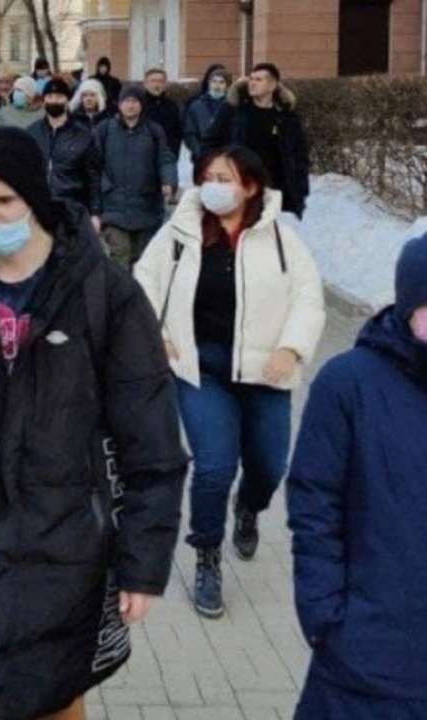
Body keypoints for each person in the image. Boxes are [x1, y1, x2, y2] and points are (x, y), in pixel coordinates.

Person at [0, 127, 187, 720]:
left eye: (5, 201)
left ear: (35, 201)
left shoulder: (106, 293)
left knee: (49, 700)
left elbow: (151, 439)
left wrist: (144, 563)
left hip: (61, 546)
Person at [134, 145, 325, 620]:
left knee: (267, 466)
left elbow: (309, 297)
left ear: (251, 186)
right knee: (215, 466)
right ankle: (207, 555)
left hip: (266, 372)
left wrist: (291, 347)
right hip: (202, 370)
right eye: (207, 177)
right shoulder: (179, 232)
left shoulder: (279, 237)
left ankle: (249, 507)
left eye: (225, 177)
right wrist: (154, 335)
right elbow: (142, 283)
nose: (213, 186)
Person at [287, 233, 427, 720]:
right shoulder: (349, 383)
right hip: (361, 668)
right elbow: (313, 501)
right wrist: (327, 615)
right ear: (410, 306)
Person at [202, 63, 309, 219]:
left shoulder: (286, 117)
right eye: (251, 79)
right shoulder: (234, 112)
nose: (252, 83)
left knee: (270, 238)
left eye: (258, 80)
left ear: (272, 85)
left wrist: (300, 190)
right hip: (239, 187)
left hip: (275, 190)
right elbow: (209, 143)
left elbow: (299, 155)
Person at [95, 84, 178, 269]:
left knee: (143, 261)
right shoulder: (105, 130)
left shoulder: (154, 131)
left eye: (134, 101)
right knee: (120, 254)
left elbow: (166, 160)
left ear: (141, 104)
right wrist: (104, 187)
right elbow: (93, 165)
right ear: (119, 104)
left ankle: (140, 296)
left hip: (146, 207)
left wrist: (169, 182)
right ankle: (120, 296)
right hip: (113, 208)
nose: (130, 105)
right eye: (126, 101)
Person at [28, 78, 102, 225]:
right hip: (38, 208)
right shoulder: (32, 132)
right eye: (49, 97)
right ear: (43, 101)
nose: (54, 101)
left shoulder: (83, 135)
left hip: (72, 209)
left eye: (59, 97)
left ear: (67, 101)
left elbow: (93, 176)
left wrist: (95, 213)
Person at [183, 66, 230, 159]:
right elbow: (189, 133)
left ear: (227, 85)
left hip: (225, 157)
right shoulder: (196, 105)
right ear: (209, 83)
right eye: (214, 81)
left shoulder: (232, 106)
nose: (217, 86)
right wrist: (199, 151)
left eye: (221, 82)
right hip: (201, 156)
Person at [142, 68, 182, 159]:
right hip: (143, 157)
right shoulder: (139, 105)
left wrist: (173, 153)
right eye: (153, 81)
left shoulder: (172, 106)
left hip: (167, 156)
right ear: (145, 84)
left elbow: (177, 133)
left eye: (161, 81)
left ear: (165, 84)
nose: (157, 85)